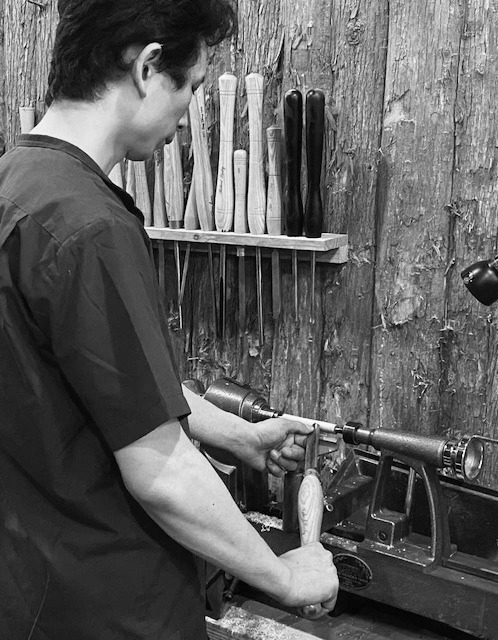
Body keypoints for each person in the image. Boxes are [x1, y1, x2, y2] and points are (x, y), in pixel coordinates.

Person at [0, 1, 339, 639]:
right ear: (149, 67)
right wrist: (285, 577)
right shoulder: (88, 227)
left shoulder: (16, 182)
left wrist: (238, 436)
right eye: (193, 86)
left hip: (33, 588)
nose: (187, 114)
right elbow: (160, 470)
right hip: (110, 606)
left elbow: (108, 386)